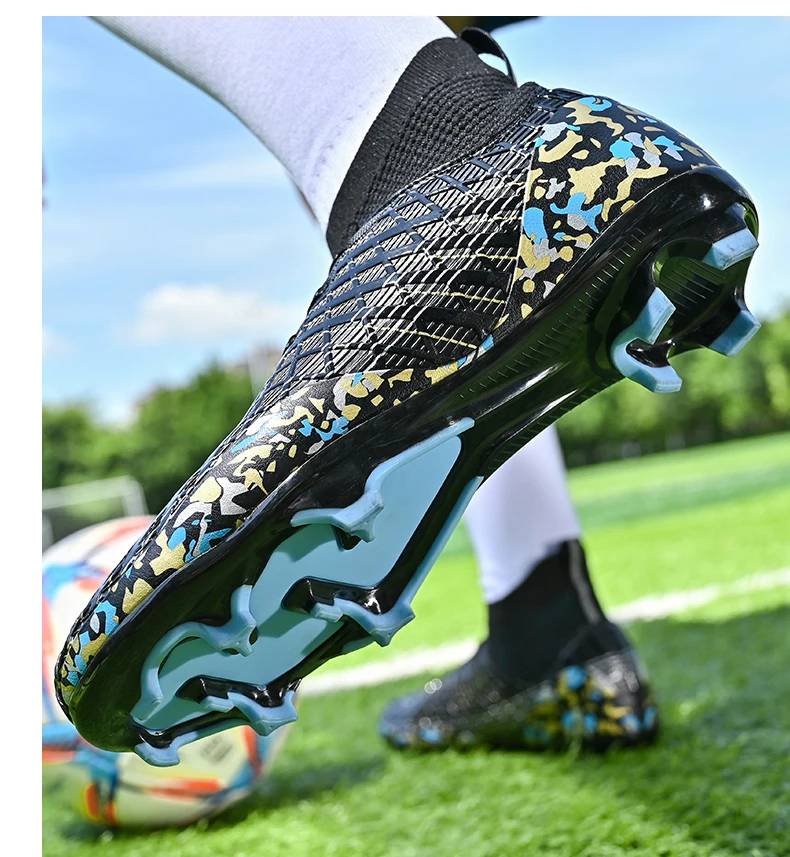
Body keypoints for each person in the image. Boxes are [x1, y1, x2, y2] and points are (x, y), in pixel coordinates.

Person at [53, 16, 759, 767]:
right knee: (363, 92)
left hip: (498, 160)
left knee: (367, 101)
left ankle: (463, 152)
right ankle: (543, 623)